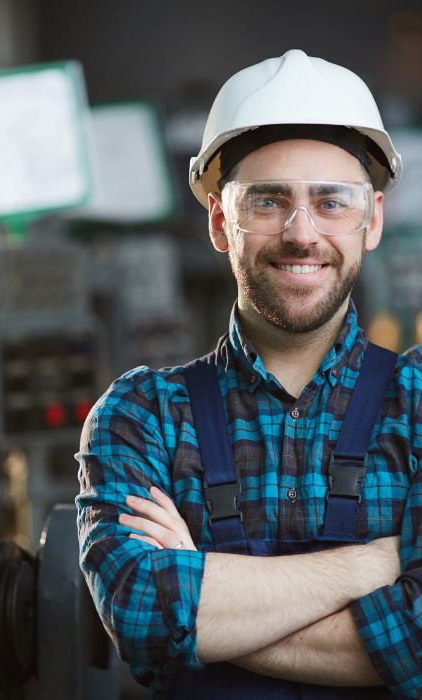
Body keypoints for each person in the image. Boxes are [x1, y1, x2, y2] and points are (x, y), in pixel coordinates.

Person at [76, 49, 422, 700]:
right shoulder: (142, 414)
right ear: (218, 220)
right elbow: (144, 617)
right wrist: (378, 564)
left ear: (371, 221)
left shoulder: (420, 402)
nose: (301, 233)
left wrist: (203, 591)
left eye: (332, 202)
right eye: (268, 201)